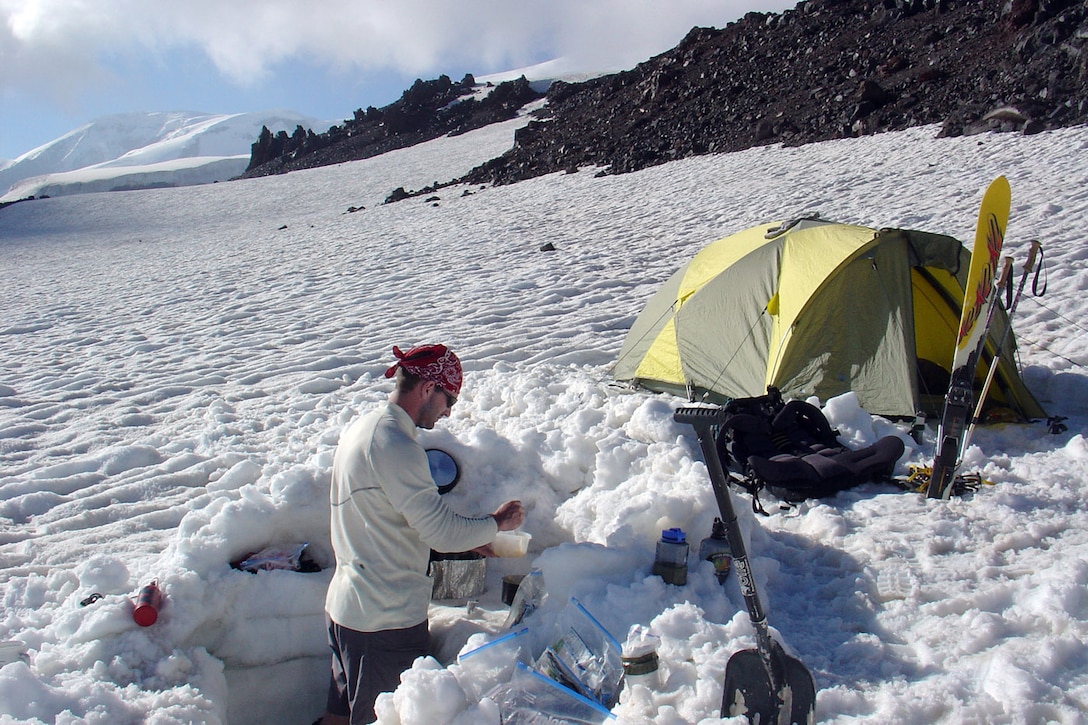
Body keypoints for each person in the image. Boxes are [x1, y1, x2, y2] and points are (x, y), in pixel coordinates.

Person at [318, 344, 525, 725]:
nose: (449, 411)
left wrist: (470, 538)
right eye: (450, 399)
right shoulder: (395, 444)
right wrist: (496, 523)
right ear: (428, 388)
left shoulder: (364, 428)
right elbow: (442, 531)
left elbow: (388, 518)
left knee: (338, 717)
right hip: (384, 620)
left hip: (350, 610)